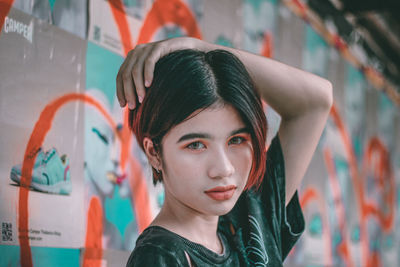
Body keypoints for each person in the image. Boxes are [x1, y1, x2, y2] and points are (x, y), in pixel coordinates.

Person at [116, 37, 333, 266]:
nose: (224, 169)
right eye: (196, 145)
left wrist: (200, 49)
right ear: (154, 153)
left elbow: (316, 102)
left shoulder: (251, 216)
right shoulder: (161, 257)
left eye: (237, 140)